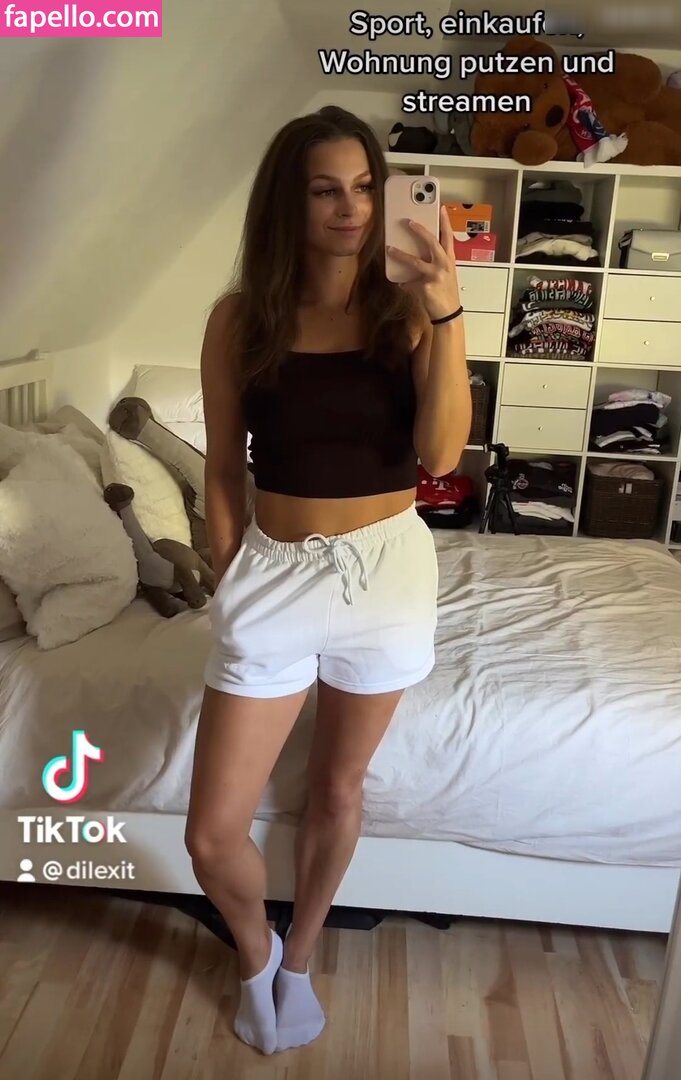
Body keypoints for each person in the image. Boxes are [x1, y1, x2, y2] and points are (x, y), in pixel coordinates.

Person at [184, 104, 471, 1056]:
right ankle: (255, 950)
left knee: (338, 789)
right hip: (272, 572)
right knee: (211, 835)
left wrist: (447, 311)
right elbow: (222, 464)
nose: (350, 208)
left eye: (362, 188)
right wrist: (228, 571)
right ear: (288, 203)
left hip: (386, 573)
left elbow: (440, 455)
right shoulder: (240, 320)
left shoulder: (407, 312)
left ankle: (300, 957)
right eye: (324, 190)